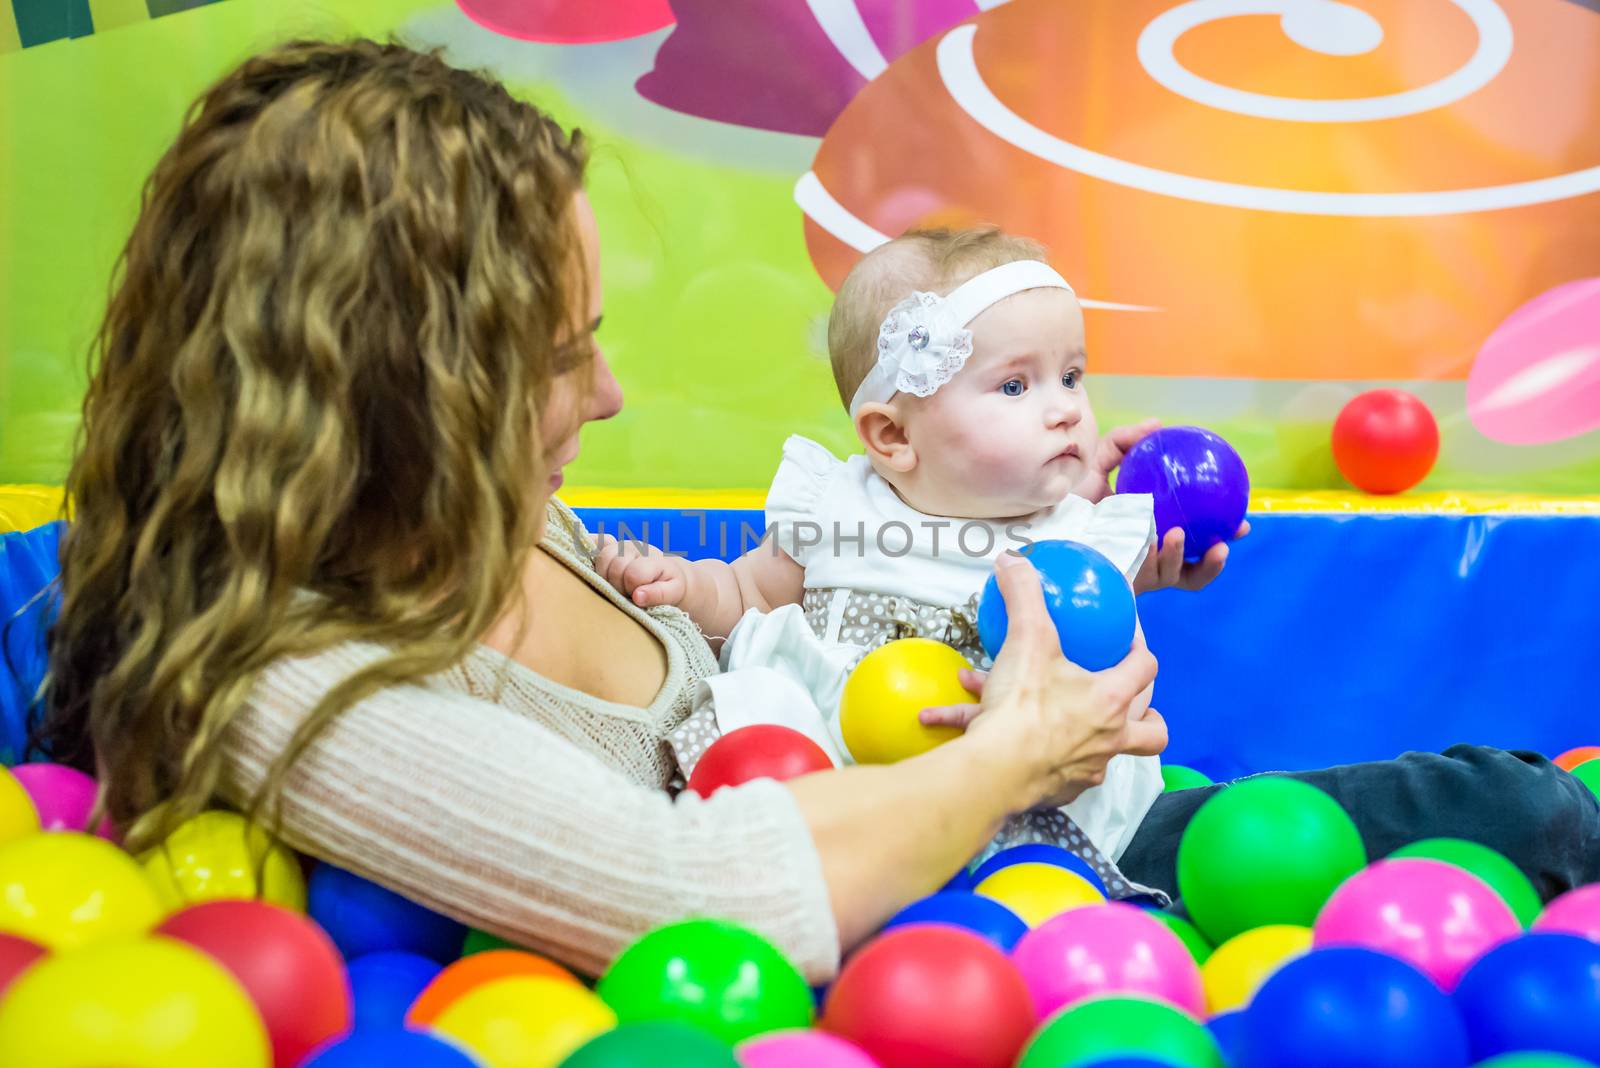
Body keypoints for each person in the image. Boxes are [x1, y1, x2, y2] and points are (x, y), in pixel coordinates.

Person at [32, 39, 1165, 981]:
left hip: (988, 894)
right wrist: (1017, 753)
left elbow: (801, 615)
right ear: (395, 397)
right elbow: (695, 898)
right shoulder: (289, 676)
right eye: (562, 358)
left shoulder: (491, 512)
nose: (611, 397)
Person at [593, 227, 1242, 884]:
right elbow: (749, 594)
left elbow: (1105, 667)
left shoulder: (1085, 539)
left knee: (1029, 887)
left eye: (1071, 376)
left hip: (1014, 807)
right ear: (894, 435)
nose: (1065, 411)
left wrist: (1138, 571)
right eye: (1016, 386)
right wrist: (685, 586)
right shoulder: (835, 506)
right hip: (836, 795)